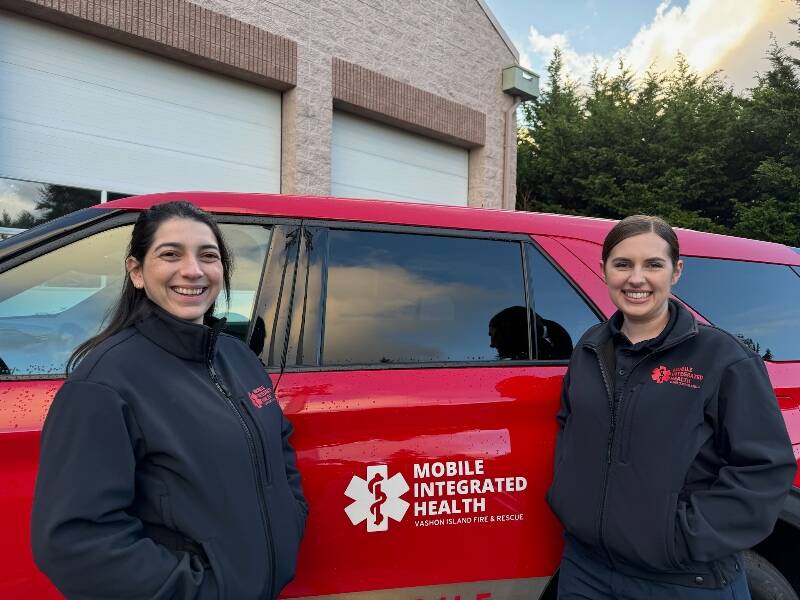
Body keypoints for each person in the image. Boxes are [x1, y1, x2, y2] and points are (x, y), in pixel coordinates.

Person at [31, 201, 307, 600]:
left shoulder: (238, 357)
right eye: (170, 254)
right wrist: (199, 590)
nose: (193, 270)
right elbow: (74, 540)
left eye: (208, 256)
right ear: (137, 272)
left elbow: (279, 450)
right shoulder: (104, 382)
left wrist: (290, 522)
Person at [546, 215, 796, 599]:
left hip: (682, 579)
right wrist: (569, 497)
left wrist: (683, 537)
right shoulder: (590, 348)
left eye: (653, 264)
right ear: (604, 269)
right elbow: (570, 424)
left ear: (676, 271)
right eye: (623, 264)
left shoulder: (724, 359)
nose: (636, 278)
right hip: (587, 571)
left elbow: (764, 467)